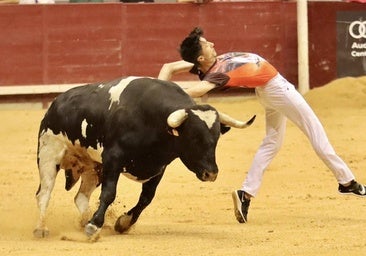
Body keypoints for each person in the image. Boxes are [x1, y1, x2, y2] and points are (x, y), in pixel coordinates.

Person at [158, 27, 366, 224]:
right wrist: (165, 97)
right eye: (206, 44)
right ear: (201, 58)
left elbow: (170, 67)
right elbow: (200, 89)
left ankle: (245, 194)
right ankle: (346, 181)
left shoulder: (206, 63)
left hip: (267, 91)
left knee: (272, 143)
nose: (212, 43)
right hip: (278, 91)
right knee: (316, 133)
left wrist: (159, 88)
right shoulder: (216, 75)